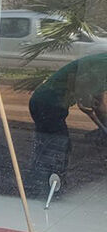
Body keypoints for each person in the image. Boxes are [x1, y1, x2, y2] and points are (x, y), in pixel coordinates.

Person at [27, 52, 107, 193]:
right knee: (56, 145)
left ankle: (44, 183)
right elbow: (99, 105)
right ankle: (42, 187)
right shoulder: (103, 65)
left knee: (53, 144)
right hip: (47, 102)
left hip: (49, 102)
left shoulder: (100, 62)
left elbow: (88, 103)